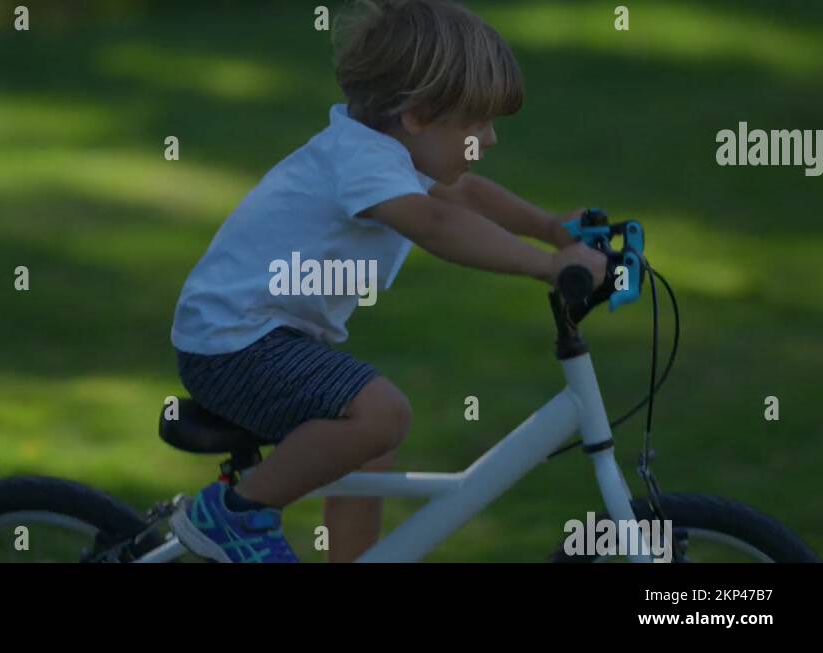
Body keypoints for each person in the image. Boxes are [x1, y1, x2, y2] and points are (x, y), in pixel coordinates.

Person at [167, 0, 607, 563]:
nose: (490, 139)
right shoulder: (363, 163)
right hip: (234, 344)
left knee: (371, 445)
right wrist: (547, 265)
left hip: (260, 338)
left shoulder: (388, 153)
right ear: (417, 115)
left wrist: (551, 229)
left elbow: (465, 194)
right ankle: (235, 514)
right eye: (476, 123)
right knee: (382, 413)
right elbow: (438, 223)